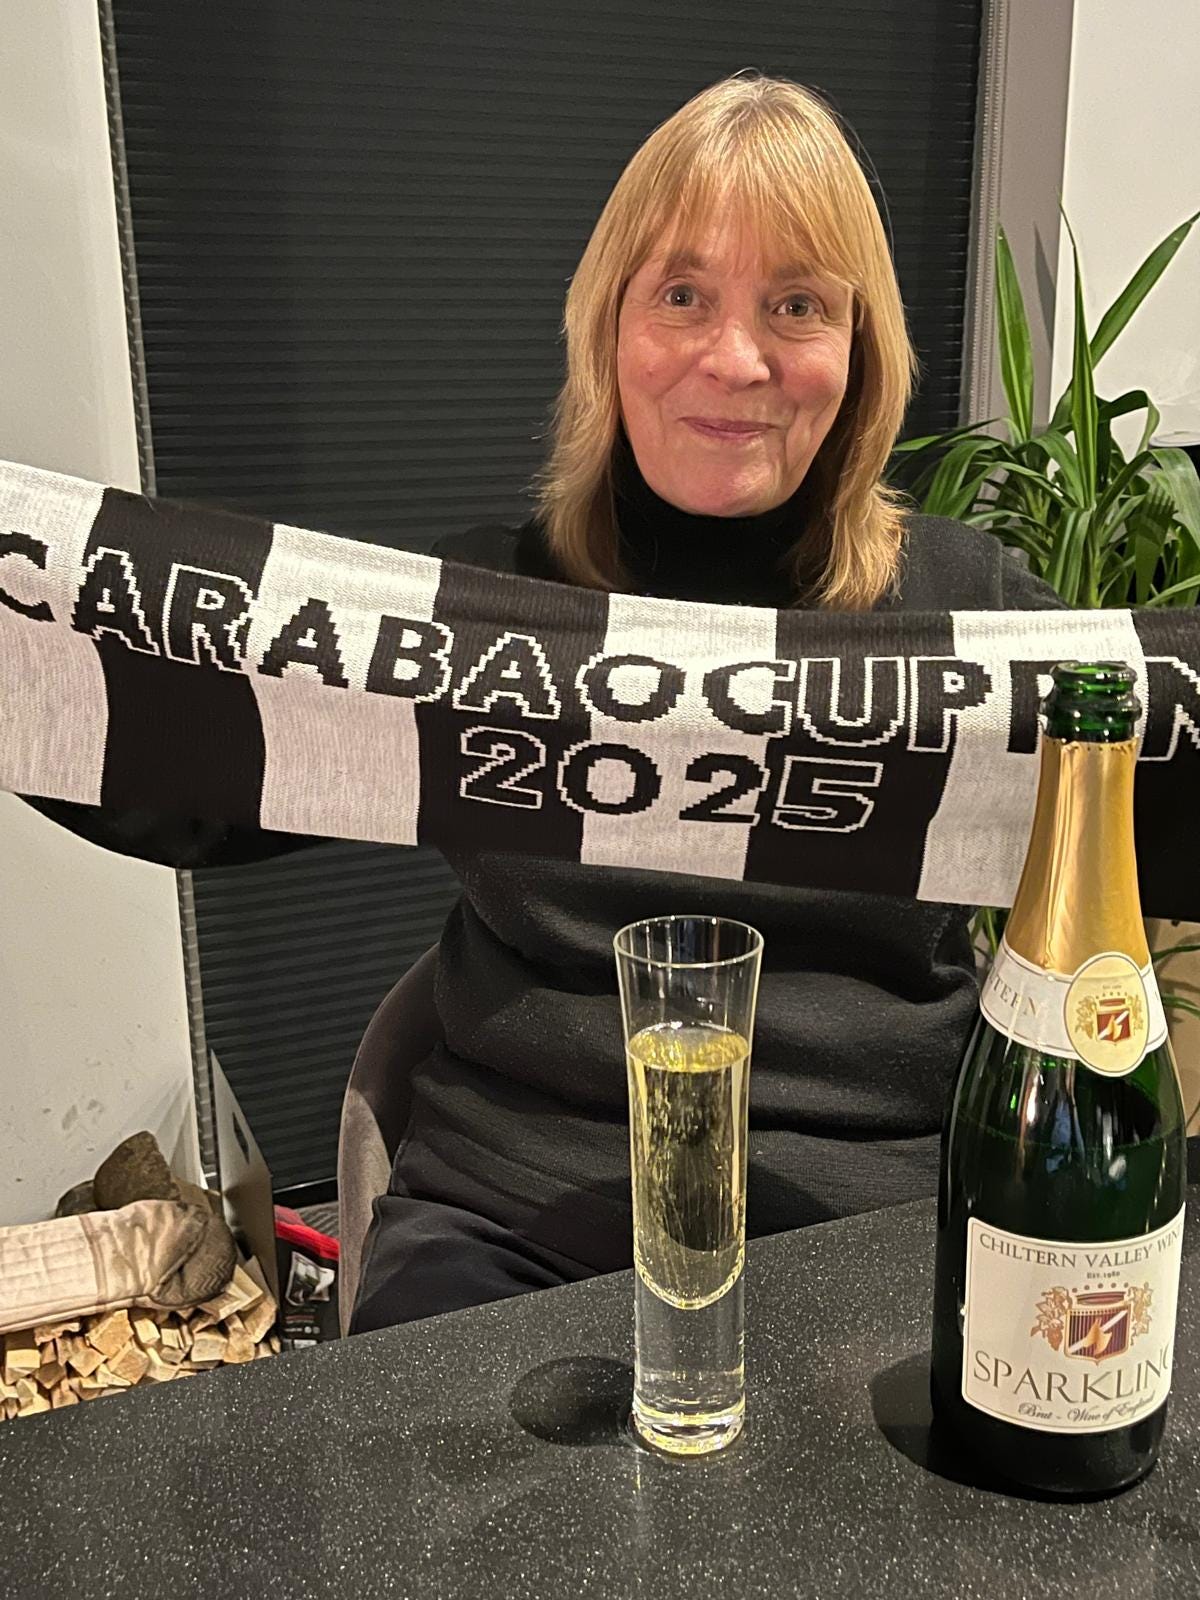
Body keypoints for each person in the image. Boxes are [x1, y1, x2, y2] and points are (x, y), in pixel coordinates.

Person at [348, 73, 1065, 1332]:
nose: (736, 360)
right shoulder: (483, 607)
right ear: (607, 327)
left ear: (859, 350)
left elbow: (1160, 796)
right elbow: (173, 762)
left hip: (877, 1226)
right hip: (510, 1219)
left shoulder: (972, 608)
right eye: (682, 295)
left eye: (796, 304)